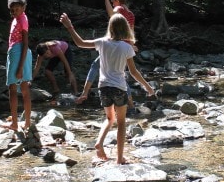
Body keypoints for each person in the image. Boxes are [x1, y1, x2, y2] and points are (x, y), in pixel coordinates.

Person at [60, 12, 155, 165]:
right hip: (119, 88)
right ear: (125, 29)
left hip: (103, 87)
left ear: (110, 27)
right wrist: (148, 88)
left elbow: (80, 43)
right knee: (122, 123)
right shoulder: (127, 47)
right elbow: (133, 72)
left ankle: (99, 143)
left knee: (110, 119)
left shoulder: (102, 42)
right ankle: (119, 158)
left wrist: (69, 26)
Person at [76, 0, 137, 108]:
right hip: (126, 46)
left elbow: (111, 14)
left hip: (115, 44)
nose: (113, 4)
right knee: (119, 73)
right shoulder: (130, 13)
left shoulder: (119, 8)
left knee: (95, 66)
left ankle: (85, 93)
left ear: (118, 0)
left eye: (113, 1)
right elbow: (132, 30)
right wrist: (132, 45)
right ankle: (130, 103)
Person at [5, 0, 32, 131]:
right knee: (20, 88)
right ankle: (23, 122)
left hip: (19, 53)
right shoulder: (18, 18)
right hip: (16, 53)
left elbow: (26, 44)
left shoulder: (22, 19)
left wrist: (20, 67)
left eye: (17, 9)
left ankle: (18, 123)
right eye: (12, 10)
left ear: (23, 8)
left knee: (15, 88)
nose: (14, 12)